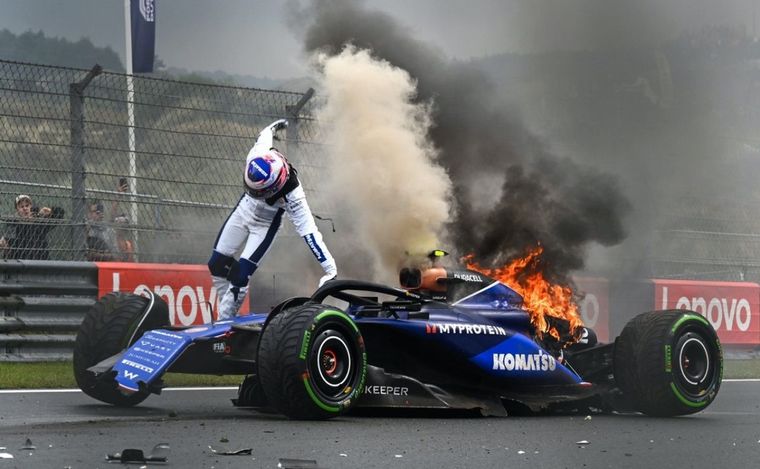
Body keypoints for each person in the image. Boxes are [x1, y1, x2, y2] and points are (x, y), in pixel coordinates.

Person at [208, 119, 338, 320]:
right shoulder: (258, 153)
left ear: (276, 186)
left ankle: (223, 321)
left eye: (258, 191)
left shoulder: (293, 194)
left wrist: (330, 269)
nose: (253, 192)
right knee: (216, 264)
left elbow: (310, 232)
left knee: (241, 276)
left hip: (265, 226)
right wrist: (276, 126)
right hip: (243, 210)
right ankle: (226, 316)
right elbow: (265, 133)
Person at [0, 194, 65, 260]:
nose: (25, 208)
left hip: (41, 261)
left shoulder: (39, 222)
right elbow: (8, 241)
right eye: (21, 206)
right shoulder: (13, 223)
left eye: (27, 205)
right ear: (17, 209)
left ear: (30, 206)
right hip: (21, 261)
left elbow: (60, 213)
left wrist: (49, 211)